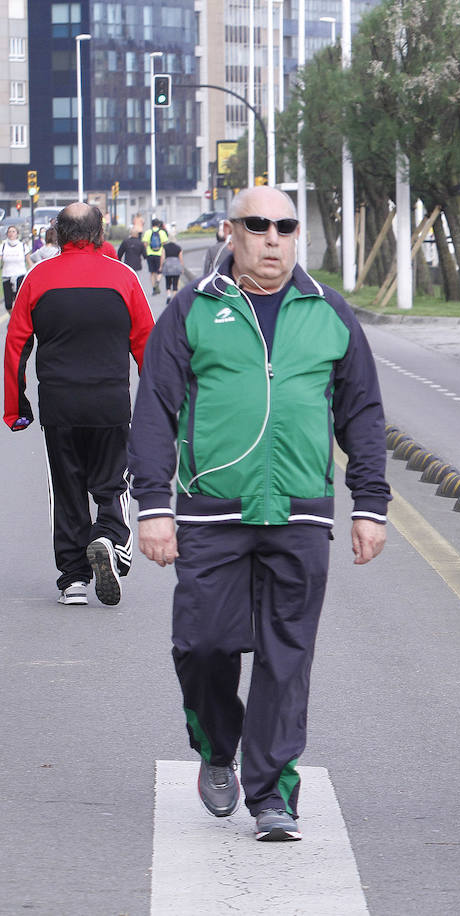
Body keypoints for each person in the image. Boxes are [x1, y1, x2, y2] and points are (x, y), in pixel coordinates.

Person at [128, 187, 390, 842]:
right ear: (231, 231)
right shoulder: (192, 308)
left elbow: (361, 412)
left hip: (299, 512)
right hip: (211, 512)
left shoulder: (328, 312)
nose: (272, 236)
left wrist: (370, 505)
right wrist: (153, 505)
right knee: (204, 644)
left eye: (285, 225)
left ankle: (273, 793)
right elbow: (155, 408)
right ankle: (218, 746)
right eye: (258, 225)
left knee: (286, 655)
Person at [2, 203, 153, 606]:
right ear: (100, 232)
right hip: (109, 403)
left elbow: (16, 346)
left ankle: (73, 580)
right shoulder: (124, 278)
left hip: (59, 405)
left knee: (66, 488)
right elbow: (146, 346)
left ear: (58, 232)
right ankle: (109, 538)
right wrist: (159, 407)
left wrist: (16, 407)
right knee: (111, 483)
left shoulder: (37, 278)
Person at [2, 225, 28, 311]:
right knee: (8, 305)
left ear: (17, 234)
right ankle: (13, 319)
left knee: (19, 302)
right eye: (9, 232)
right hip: (7, 275)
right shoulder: (3, 246)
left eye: (13, 231)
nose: (11, 234)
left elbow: (29, 261)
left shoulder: (23, 246)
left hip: (20, 275)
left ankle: (16, 322)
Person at [141, 218, 169, 293]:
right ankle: (157, 281)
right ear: (158, 224)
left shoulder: (148, 232)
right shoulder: (162, 232)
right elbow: (165, 243)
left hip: (150, 254)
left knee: (152, 272)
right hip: (159, 254)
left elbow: (145, 244)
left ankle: (154, 287)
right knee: (159, 271)